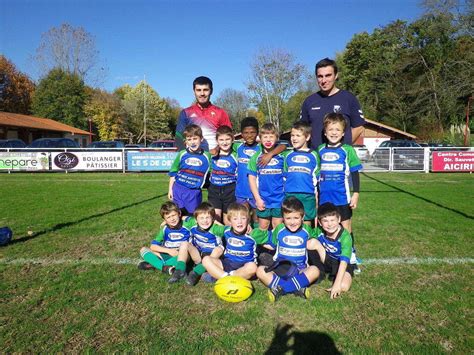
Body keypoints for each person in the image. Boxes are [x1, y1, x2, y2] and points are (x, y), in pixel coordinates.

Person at [256, 197, 321, 302]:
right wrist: (255, 237)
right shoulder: (279, 229)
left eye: (296, 218)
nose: (292, 222)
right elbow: (272, 244)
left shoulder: (307, 230)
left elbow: (318, 236)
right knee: (260, 271)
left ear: (303, 217)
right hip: (279, 269)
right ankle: (297, 287)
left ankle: (280, 288)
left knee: (315, 271)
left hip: (300, 270)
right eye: (288, 218)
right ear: (283, 218)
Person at [300, 58, 366, 149]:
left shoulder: (348, 98)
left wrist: (343, 148)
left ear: (336, 76)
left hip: (340, 159)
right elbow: (302, 131)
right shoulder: (309, 101)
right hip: (317, 158)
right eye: (320, 76)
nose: (324, 80)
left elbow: (359, 127)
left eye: (328, 75)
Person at [234, 117, 287, 228]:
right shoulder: (238, 146)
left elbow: (283, 145)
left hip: (262, 194)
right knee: (243, 219)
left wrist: (270, 154)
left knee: (259, 220)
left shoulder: (261, 147)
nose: (249, 135)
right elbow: (224, 141)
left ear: (257, 134)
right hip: (243, 191)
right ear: (241, 134)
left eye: (253, 132)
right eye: (246, 133)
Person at [317, 113, 362, 238]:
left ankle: (350, 253)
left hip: (342, 197)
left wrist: (356, 194)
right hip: (324, 198)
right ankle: (329, 253)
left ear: (343, 133)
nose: (334, 132)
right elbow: (316, 174)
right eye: (330, 129)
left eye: (338, 129)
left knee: (345, 226)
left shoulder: (348, 150)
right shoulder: (320, 150)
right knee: (326, 227)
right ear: (325, 132)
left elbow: (354, 172)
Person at [307, 202, 355, 299]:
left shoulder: (345, 236)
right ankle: (319, 271)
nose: (329, 224)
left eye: (332, 220)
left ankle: (335, 276)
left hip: (341, 263)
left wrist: (337, 284)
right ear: (320, 223)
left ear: (339, 219)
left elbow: (344, 261)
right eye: (325, 221)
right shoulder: (319, 231)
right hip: (327, 260)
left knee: (344, 286)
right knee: (310, 243)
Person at [138, 201, 194, 283]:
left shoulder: (187, 224)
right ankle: (167, 268)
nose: (172, 219)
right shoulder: (164, 229)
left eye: (174, 215)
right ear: (164, 219)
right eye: (168, 217)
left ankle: (157, 264)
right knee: (143, 249)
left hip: (181, 254)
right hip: (168, 252)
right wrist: (169, 251)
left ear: (179, 213)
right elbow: (153, 246)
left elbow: (197, 220)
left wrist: (183, 217)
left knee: (187, 255)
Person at [202, 203, 259, 280]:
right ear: (229, 221)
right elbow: (211, 225)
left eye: (243, 218)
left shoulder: (254, 234)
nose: (239, 222)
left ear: (248, 220)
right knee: (206, 260)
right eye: (235, 219)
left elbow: (271, 241)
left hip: (245, 266)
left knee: (252, 267)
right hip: (227, 263)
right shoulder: (226, 230)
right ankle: (227, 278)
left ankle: (221, 277)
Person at [175, 76, 231, 151]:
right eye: (198, 90)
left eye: (205, 90)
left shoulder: (221, 112)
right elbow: (179, 138)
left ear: (211, 91)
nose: (202, 93)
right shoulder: (185, 113)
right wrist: (185, 155)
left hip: (215, 159)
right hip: (193, 159)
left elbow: (229, 136)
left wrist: (217, 149)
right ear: (194, 91)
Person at [248, 123, 286, 230]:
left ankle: (276, 247)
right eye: (265, 137)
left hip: (279, 199)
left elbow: (285, 145)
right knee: (263, 227)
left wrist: (271, 154)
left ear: (277, 138)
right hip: (263, 199)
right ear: (260, 139)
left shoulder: (283, 156)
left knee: (277, 227)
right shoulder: (255, 157)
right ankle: (261, 247)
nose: (268, 140)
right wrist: (258, 199)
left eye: (271, 136)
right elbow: (252, 179)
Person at [168, 124, 212, 215]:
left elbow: (211, 173)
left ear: (201, 139)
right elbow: (173, 172)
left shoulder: (207, 156)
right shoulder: (182, 154)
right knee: (177, 215)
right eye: (189, 139)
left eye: (195, 138)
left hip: (194, 192)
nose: (192, 142)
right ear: (185, 141)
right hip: (178, 189)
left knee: (192, 217)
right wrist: (170, 189)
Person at [284, 122, 320, 226]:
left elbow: (317, 176)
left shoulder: (314, 155)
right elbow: (285, 175)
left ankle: (307, 241)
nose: (294, 138)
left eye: (298, 135)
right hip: (290, 194)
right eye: (292, 135)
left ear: (307, 137)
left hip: (307, 194)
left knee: (307, 221)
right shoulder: (288, 155)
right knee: (291, 221)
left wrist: (316, 195)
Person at [184, 202, 227, 286]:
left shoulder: (216, 229)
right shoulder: (192, 223)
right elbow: (184, 218)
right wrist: (165, 222)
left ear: (213, 219)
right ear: (196, 220)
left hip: (212, 256)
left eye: (208, 217)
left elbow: (229, 229)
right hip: (198, 254)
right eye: (202, 218)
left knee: (218, 250)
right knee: (184, 244)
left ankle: (196, 272)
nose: (205, 221)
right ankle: (179, 270)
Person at [208, 126, 238, 224]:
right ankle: (216, 239)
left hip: (230, 190)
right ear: (217, 141)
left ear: (232, 139)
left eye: (227, 139)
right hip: (214, 189)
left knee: (227, 219)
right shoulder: (212, 154)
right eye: (221, 140)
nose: (224, 142)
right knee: (215, 218)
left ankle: (227, 239)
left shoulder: (236, 154)